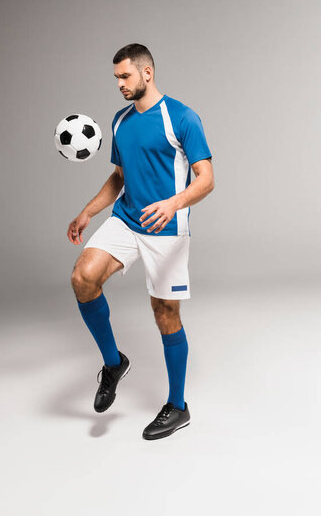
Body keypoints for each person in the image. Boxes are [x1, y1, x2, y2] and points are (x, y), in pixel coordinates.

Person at [68, 43, 214, 440]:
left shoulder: (182, 118)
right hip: (128, 219)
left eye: (124, 76)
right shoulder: (120, 120)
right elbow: (120, 176)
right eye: (116, 77)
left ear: (147, 73)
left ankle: (178, 407)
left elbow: (206, 178)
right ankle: (114, 364)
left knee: (165, 313)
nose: (119, 83)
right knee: (83, 278)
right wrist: (88, 211)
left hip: (167, 227)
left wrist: (174, 203)